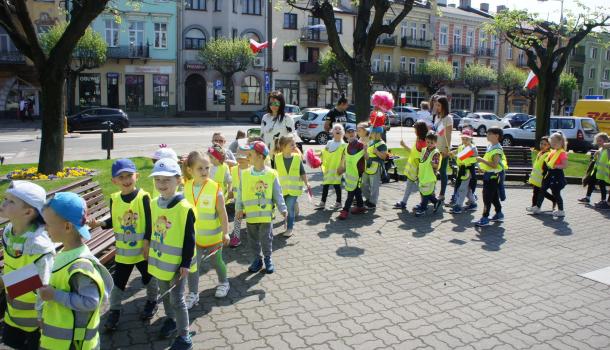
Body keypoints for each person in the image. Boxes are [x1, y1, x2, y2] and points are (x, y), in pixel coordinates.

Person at [87, 159, 158, 331]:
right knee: (118, 283)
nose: (126, 180)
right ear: (114, 181)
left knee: (148, 278)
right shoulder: (115, 199)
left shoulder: (143, 197)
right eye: (121, 177)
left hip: (142, 251)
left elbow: (150, 223)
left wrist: (147, 243)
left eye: (129, 176)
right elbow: (114, 220)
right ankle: (115, 310)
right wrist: (100, 224)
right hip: (124, 253)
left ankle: (152, 301)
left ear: (137, 176)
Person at [39, 192, 113, 350]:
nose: (45, 228)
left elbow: (91, 302)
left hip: (74, 344)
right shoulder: (66, 253)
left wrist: (55, 295)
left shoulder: (80, 266)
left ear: (67, 226)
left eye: (47, 224)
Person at [147, 158, 195, 349]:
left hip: (177, 265)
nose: (161, 184)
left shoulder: (184, 208)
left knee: (177, 299)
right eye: (158, 180)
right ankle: (170, 319)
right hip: (159, 261)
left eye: (167, 180)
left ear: (179, 180)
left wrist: (185, 263)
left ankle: (184, 336)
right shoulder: (154, 203)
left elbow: (189, 239)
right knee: (165, 294)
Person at [0, 181, 54, 350]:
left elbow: (43, 282)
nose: (3, 203)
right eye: (5, 198)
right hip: (12, 313)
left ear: (28, 212)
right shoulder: (9, 231)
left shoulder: (39, 245)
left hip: (35, 322)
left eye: (11, 201)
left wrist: (6, 282)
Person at [182, 151, 230, 310]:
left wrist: (226, 232)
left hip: (214, 238)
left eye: (207, 168)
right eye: (200, 168)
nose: (204, 172)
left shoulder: (215, 188)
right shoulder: (186, 187)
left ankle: (224, 282)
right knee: (193, 266)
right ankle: (193, 293)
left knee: (217, 262)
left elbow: (222, 213)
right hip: (194, 239)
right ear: (190, 170)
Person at [235, 141, 287, 274]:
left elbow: (277, 193)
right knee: (253, 240)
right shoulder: (245, 173)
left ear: (259, 156)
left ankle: (268, 259)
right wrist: (239, 208)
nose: (247, 157)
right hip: (251, 215)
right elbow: (240, 193)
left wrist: (283, 209)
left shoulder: (271, 174)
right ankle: (257, 260)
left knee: (266, 239)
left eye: (250, 154)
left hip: (265, 215)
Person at [274, 135, 311, 237]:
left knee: (289, 208)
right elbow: (275, 173)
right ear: (283, 146)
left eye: (294, 144)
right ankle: (295, 206)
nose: (294, 146)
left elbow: (302, 172)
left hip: (294, 190)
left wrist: (307, 182)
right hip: (282, 190)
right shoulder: (277, 158)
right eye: (292, 145)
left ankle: (290, 228)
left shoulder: (297, 158)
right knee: (285, 207)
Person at [529, 132, 569, 217]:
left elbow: (565, 165)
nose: (553, 144)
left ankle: (561, 210)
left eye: (555, 142)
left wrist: (556, 166)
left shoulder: (562, 153)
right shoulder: (553, 151)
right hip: (549, 174)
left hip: (557, 175)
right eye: (552, 142)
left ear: (561, 142)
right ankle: (537, 207)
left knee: (556, 193)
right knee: (542, 189)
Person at [473, 127, 508, 227]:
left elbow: (495, 165)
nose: (487, 135)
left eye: (489, 133)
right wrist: (482, 168)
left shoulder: (497, 149)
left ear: (496, 136)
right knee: (493, 196)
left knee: (487, 197)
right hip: (489, 175)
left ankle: (485, 218)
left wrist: (481, 160)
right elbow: (490, 163)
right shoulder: (491, 146)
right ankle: (499, 214)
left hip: (493, 176)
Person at [394, 121, 429, 210]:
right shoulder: (419, 139)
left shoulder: (422, 142)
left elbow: (419, 155)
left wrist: (404, 145)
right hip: (415, 168)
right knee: (413, 185)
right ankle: (405, 202)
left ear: (419, 130)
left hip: (418, 169)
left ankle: (425, 203)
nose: (414, 130)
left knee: (421, 187)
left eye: (415, 129)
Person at [338, 126, 367, 220]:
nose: (351, 133)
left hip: (358, 173)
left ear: (356, 133)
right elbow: (346, 160)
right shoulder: (346, 146)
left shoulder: (360, 145)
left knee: (351, 192)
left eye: (353, 131)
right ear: (345, 135)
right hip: (350, 173)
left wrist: (366, 150)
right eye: (348, 132)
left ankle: (345, 210)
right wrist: (342, 168)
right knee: (356, 190)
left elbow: (367, 158)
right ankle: (360, 206)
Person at [448, 129, 479, 214]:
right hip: (462, 171)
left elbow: (461, 156)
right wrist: (452, 152)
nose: (464, 140)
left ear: (471, 139)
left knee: (462, 189)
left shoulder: (472, 148)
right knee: (468, 190)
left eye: (466, 139)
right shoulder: (462, 146)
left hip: (468, 171)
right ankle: (473, 204)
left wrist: (454, 155)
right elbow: (458, 151)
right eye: (463, 139)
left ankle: (458, 206)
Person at [317, 124, 347, 210]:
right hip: (328, 168)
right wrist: (316, 156)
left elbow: (345, 158)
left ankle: (338, 203)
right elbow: (324, 153)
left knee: (337, 185)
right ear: (332, 132)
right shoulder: (329, 143)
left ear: (343, 133)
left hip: (337, 169)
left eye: (340, 129)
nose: (337, 130)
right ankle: (322, 202)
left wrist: (343, 168)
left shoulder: (344, 145)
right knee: (325, 185)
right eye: (335, 129)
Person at [414, 132, 443, 216]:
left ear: (435, 143)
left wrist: (432, 163)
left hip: (430, 176)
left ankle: (423, 209)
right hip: (423, 175)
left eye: (432, 143)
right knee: (425, 192)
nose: (429, 144)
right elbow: (422, 161)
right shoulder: (424, 150)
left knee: (426, 193)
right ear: (426, 141)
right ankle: (436, 202)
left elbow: (436, 165)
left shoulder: (435, 153)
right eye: (428, 142)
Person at [579, 132, 610, 208]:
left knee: (602, 185)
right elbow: (597, 160)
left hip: (604, 173)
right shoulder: (600, 149)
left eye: (600, 140)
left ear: (606, 140)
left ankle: (604, 201)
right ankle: (587, 198)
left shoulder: (608, 149)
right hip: (597, 171)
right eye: (597, 141)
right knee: (591, 182)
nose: (598, 142)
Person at [260, 91, 296, 155]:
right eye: (271, 103)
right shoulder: (265, 117)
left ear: (281, 104)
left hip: (281, 155)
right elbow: (262, 136)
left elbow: (292, 138)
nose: (273, 106)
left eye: (276, 103)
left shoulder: (287, 118)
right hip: (267, 155)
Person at [229, 147, 251, 248]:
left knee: (252, 219)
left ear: (249, 158)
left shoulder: (252, 169)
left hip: (250, 200)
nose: (240, 159)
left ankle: (254, 236)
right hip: (238, 200)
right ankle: (236, 237)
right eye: (238, 157)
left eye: (243, 157)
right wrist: (230, 191)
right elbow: (232, 182)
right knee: (237, 218)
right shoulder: (233, 169)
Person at [432, 96, 453, 204]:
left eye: (438, 105)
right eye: (436, 104)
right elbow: (435, 132)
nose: (436, 107)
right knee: (433, 170)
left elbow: (449, 135)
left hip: (443, 149)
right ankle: (432, 193)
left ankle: (442, 194)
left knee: (442, 171)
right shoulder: (437, 117)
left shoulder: (448, 118)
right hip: (435, 149)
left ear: (444, 106)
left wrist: (446, 149)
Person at [527, 137, 556, 211]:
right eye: (541, 143)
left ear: (549, 145)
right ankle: (553, 199)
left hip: (542, 178)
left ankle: (535, 206)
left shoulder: (548, 155)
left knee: (538, 192)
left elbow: (547, 168)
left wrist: (545, 177)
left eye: (545, 144)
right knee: (538, 192)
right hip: (536, 179)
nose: (542, 145)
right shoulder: (540, 153)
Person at [362, 127, 388, 209]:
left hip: (376, 167)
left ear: (377, 133)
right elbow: (366, 157)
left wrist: (377, 152)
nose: (370, 134)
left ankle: (372, 203)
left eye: (372, 132)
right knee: (363, 184)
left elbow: (384, 157)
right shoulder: (371, 142)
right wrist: (365, 150)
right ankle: (369, 199)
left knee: (374, 186)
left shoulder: (382, 144)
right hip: (367, 166)